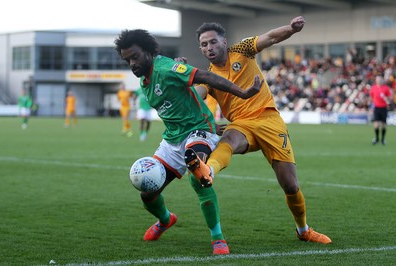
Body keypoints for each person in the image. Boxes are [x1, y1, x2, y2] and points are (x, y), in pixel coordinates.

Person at [183, 16, 332, 246]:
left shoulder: (241, 50)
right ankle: (207, 171)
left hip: (269, 120)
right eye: (204, 45)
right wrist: (179, 78)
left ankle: (303, 230)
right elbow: (196, 98)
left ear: (224, 42)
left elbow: (270, 37)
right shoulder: (208, 77)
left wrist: (291, 29)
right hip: (242, 124)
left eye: (213, 42)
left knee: (290, 185)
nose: (209, 48)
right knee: (228, 140)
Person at [114, 29, 261, 255]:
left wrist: (241, 93)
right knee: (148, 193)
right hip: (172, 139)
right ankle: (165, 220)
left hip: (198, 130)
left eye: (135, 56)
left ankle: (218, 238)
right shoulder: (146, 80)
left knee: (198, 175)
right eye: (127, 60)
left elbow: (205, 76)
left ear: (149, 52)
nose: (132, 63)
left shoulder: (165, 68)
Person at [370, 75, 392, 145]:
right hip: (376, 108)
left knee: (383, 125)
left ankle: (382, 139)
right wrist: (371, 106)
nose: (379, 80)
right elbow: (371, 97)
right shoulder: (373, 88)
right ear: (376, 80)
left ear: (382, 80)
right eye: (377, 79)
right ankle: (377, 138)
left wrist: (386, 99)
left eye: (380, 79)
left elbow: (390, 97)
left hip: (383, 108)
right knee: (376, 125)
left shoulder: (386, 88)